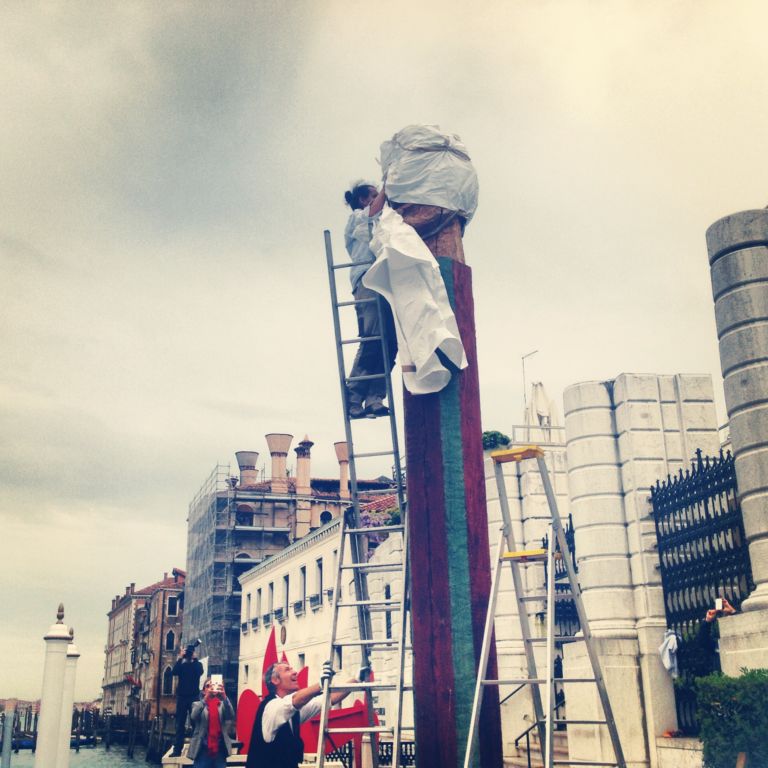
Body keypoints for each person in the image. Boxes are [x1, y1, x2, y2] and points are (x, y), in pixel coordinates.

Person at [245, 660, 365, 768]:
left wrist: (356, 679)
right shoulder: (271, 707)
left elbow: (329, 699)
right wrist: (320, 684)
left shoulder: (295, 711)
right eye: (288, 670)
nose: (295, 672)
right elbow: (293, 700)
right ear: (275, 680)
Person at [343, 182, 397, 419]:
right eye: (373, 195)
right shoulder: (356, 218)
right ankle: (354, 398)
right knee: (373, 338)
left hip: (386, 280)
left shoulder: (380, 222)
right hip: (367, 279)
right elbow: (373, 211)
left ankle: (375, 398)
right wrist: (389, 183)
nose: (378, 199)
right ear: (363, 200)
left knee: (392, 342)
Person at [187, 678, 236, 767]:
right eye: (208, 686)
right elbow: (194, 716)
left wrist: (224, 696)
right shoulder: (197, 704)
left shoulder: (222, 705)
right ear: (203, 691)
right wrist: (206, 699)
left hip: (219, 751)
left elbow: (230, 715)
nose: (211, 688)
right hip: (202, 750)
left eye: (213, 685)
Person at [171, 643, 204, 756]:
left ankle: (196, 750)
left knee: (195, 724)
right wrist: (180, 657)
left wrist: (194, 658)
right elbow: (174, 672)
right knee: (179, 724)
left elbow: (200, 672)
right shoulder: (183, 665)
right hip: (182, 698)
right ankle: (177, 750)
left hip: (193, 698)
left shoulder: (197, 665)